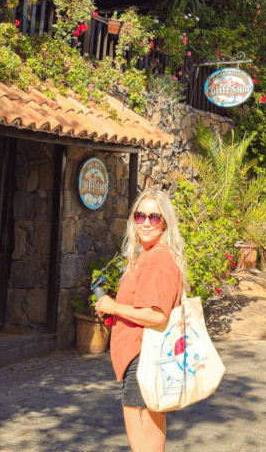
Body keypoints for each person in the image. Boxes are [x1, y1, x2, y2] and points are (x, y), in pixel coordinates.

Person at [95, 189, 188, 452]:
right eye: (140, 216)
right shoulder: (146, 256)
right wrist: (114, 311)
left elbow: (158, 315)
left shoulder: (158, 259)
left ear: (165, 223)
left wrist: (115, 306)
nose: (146, 223)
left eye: (154, 217)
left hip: (143, 361)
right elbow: (141, 307)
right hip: (140, 359)